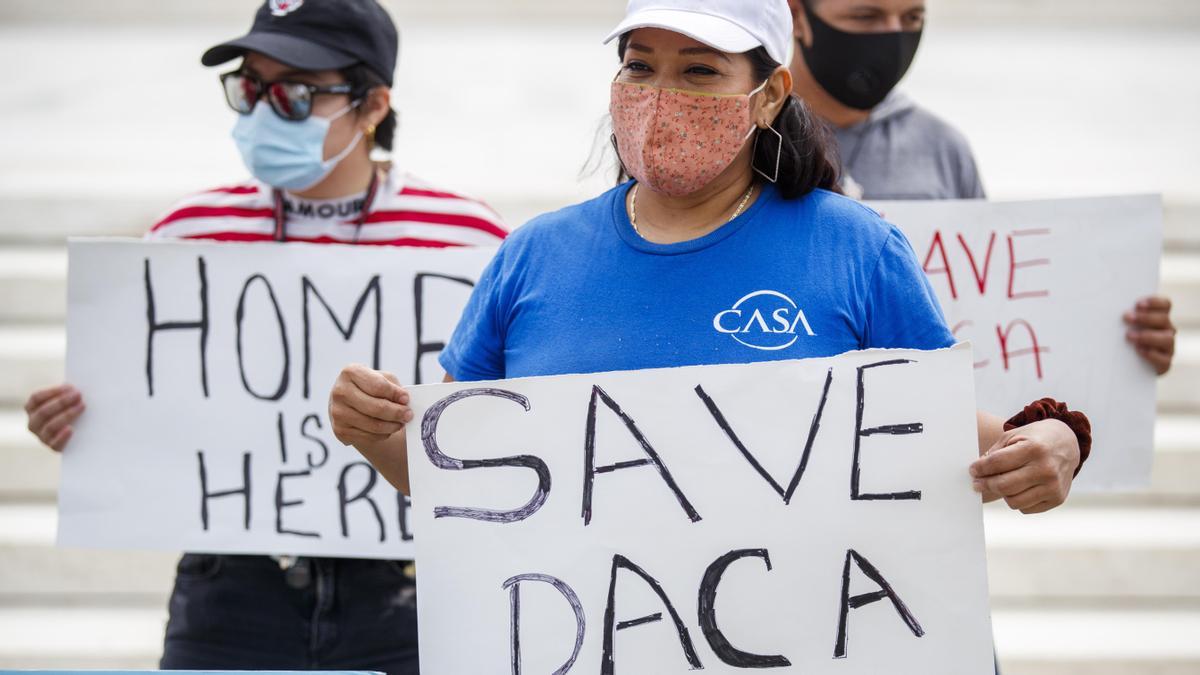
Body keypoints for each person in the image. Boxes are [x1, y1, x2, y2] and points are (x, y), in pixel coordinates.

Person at [328, 0, 1089, 543]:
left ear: (769, 97)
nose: (661, 98)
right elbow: (452, 473)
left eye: (699, 71)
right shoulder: (534, 255)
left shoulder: (856, 248)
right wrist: (372, 432)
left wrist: (1057, 437)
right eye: (639, 68)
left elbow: (941, 424)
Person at [22, 0, 506, 671]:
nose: (260, 113)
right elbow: (160, 403)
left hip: (412, 585)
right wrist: (87, 421)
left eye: (295, 94)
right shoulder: (186, 234)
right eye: (251, 88)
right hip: (230, 585)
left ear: (373, 106)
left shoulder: (471, 239)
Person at [785, 0, 1177, 374]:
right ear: (797, 15)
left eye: (912, 18)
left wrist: (1124, 344)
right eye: (866, 16)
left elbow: (994, 312)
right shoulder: (756, 142)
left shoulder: (942, 149)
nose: (891, 35)